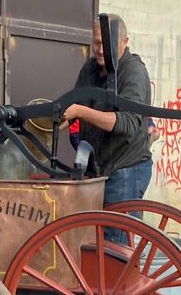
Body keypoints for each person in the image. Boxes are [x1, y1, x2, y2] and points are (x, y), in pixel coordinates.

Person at [62, 14, 152, 242]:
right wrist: (55, 122)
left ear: (125, 41)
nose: (101, 49)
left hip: (125, 169)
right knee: (97, 244)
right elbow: (75, 104)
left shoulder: (133, 72)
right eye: (96, 43)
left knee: (116, 244)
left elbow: (128, 123)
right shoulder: (91, 68)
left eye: (107, 43)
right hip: (99, 169)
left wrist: (80, 113)